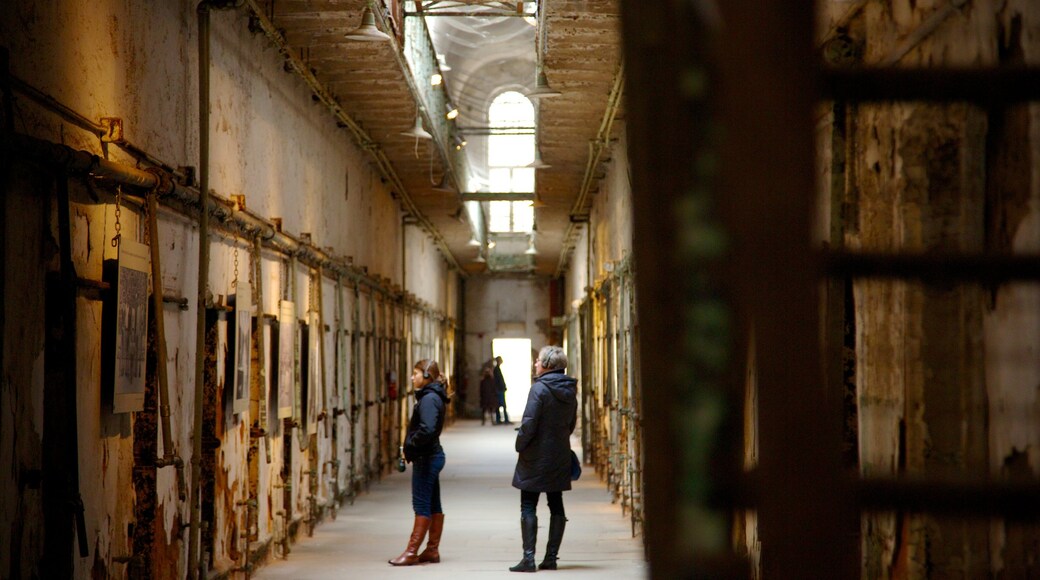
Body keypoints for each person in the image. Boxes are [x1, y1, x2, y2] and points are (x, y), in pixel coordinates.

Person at [509, 346, 577, 572]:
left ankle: (528, 559)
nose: (535, 364)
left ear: (548, 365)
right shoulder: (569, 389)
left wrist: (520, 444)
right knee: (556, 504)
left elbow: (529, 423)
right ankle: (551, 558)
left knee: (528, 504)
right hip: (558, 455)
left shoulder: (539, 389)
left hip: (536, 456)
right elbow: (571, 424)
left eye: (538, 361)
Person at [389, 359, 450, 566]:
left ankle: (412, 552)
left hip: (427, 457)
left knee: (421, 503)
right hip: (432, 455)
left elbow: (428, 428)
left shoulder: (429, 399)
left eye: (415, 373)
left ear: (426, 376)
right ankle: (432, 550)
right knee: (433, 503)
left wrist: (410, 446)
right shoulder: (431, 396)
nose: (412, 377)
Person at [493, 355, 511, 424]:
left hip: (500, 389)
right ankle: (504, 420)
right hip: (499, 390)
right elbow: (498, 381)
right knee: (502, 405)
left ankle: (499, 419)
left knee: (500, 405)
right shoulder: (496, 369)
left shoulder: (497, 369)